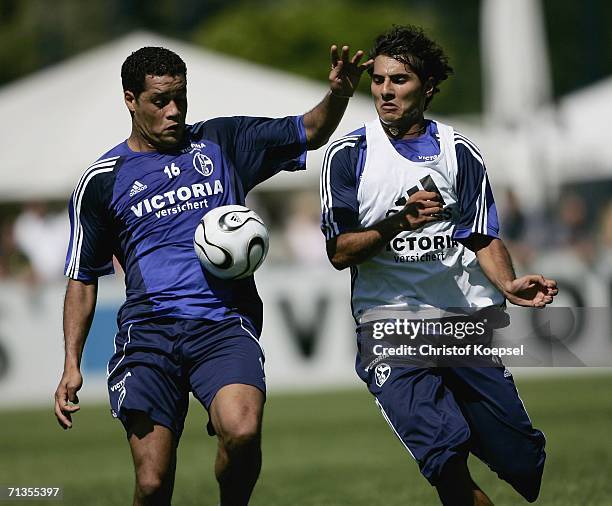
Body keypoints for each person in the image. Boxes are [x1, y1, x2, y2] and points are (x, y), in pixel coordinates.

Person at [54, 45, 372, 506]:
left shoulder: (223, 142)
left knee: (242, 432)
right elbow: (82, 278)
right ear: (130, 99)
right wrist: (71, 365)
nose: (174, 111)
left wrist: (338, 94)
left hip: (223, 325)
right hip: (149, 333)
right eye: (160, 101)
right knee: (152, 483)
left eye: (180, 98)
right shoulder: (103, 181)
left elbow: (311, 129)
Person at [320, 26, 558, 505]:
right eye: (379, 79)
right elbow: (339, 251)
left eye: (400, 80)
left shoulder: (459, 152)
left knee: (522, 463)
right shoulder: (349, 154)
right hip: (387, 324)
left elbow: (480, 234)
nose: (385, 90)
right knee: (445, 463)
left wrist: (508, 283)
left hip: (460, 322)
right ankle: (444, 437)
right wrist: (395, 224)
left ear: (427, 87)